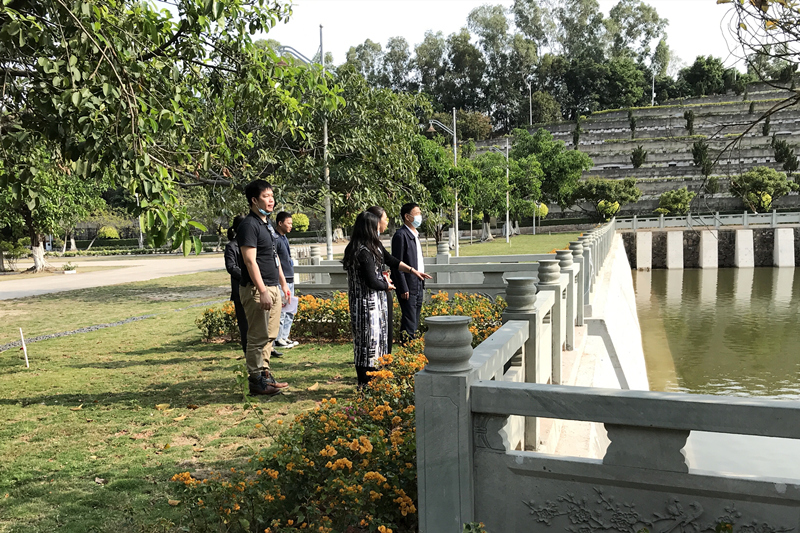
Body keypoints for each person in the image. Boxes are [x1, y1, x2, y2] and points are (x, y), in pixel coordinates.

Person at [343, 211, 428, 387]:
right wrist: (387, 285)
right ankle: (365, 381)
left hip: (377, 304)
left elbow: (393, 261)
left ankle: (377, 379)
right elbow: (371, 280)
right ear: (369, 228)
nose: (379, 228)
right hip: (365, 305)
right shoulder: (362, 251)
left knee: (377, 341)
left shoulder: (374, 246)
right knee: (367, 343)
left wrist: (413, 271)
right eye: (376, 225)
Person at [237, 180, 292, 396]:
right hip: (257, 288)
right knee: (258, 336)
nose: (271, 200)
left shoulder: (267, 224)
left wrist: (283, 283)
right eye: (266, 196)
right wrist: (261, 290)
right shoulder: (249, 225)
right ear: (254, 200)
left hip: (272, 286)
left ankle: (265, 374)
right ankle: (255, 380)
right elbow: (250, 261)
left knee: (270, 335)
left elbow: (274, 255)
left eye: (272, 195)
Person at [391, 202, 427, 342]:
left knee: (414, 320)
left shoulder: (415, 235)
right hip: (408, 285)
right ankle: (408, 350)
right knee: (409, 321)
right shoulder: (401, 236)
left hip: (418, 283)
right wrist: (403, 286)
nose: (420, 216)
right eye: (417, 213)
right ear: (407, 217)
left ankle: (411, 348)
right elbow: (396, 264)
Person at [224, 215, 248, 355]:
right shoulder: (232, 246)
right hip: (240, 290)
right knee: (245, 325)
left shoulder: (250, 243)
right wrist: (248, 275)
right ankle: (248, 353)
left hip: (255, 288)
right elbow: (231, 267)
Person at [274, 211, 298, 349]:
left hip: (290, 277)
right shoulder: (275, 239)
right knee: (282, 309)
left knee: (290, 309)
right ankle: (278, 339)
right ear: (280, 223)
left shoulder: (284, 238)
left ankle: (284, 336)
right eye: (288, 223)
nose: (291, 226)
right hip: (282, 280)